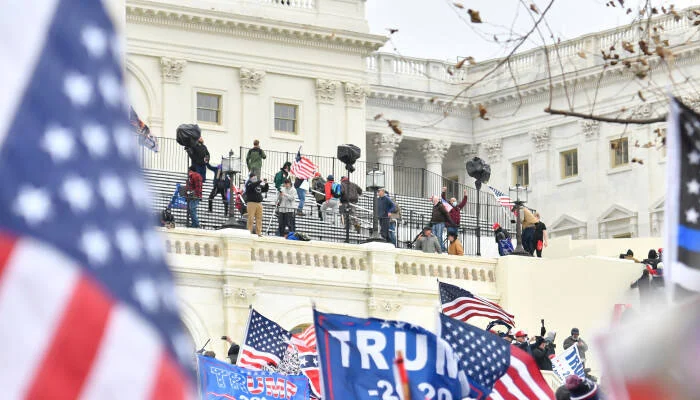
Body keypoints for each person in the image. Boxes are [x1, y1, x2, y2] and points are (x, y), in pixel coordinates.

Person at [245, 172, 265, 236]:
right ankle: (249, 231)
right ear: (250, 178)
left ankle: (258, 232)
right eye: (253, 177)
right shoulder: (248, 183)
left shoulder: (257, 184)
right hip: (251, 203)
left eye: (255, 177)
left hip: (259, 203)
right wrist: (259, 181)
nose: (255, 178)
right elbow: (252, 186)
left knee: (259, 219)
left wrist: (266, 184)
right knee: (251, 218)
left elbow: (264, 189)